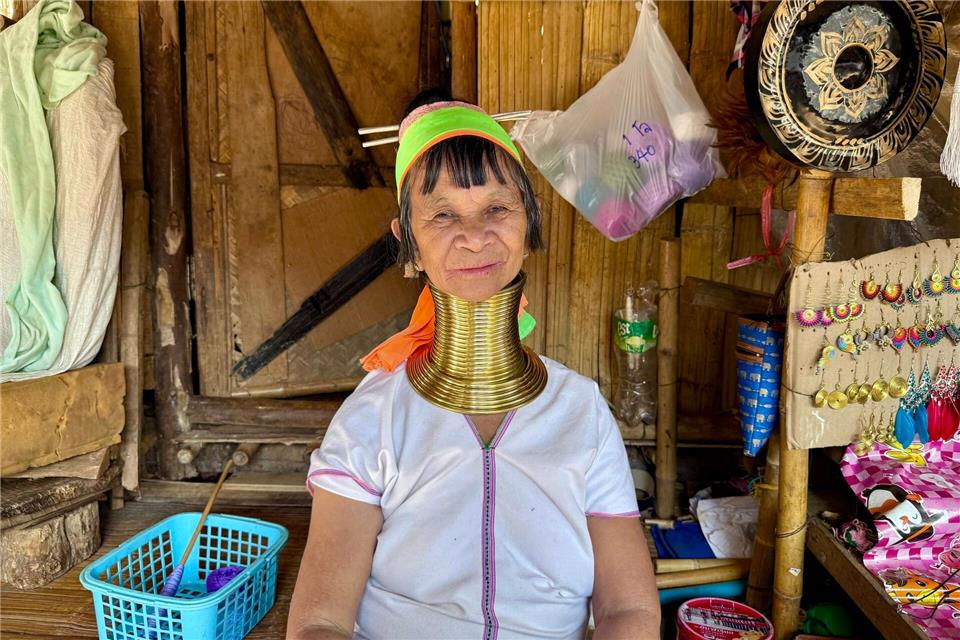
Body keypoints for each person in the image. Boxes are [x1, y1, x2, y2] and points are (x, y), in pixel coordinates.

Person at [286, 92, 659, 640]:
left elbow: (629, 610)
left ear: (530, 223)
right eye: (442, 215)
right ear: (409, 243)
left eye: (497, 208)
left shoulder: (580, 408)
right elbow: (320, 622)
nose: (475, 236)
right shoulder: (374, 417)